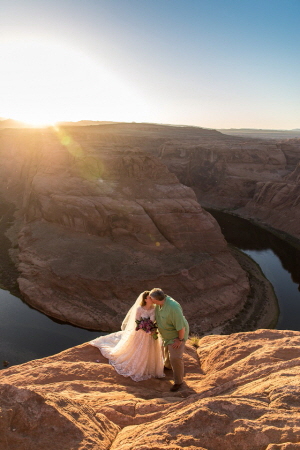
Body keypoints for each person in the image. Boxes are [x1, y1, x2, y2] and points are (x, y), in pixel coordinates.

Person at [90, 291, 164, 382]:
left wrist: (152, 329)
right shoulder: (139, 309)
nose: (151, 299)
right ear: (145, 299)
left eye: (152, 298)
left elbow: (155, 321)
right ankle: (139, 367)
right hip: (141, 333)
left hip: (151, 333)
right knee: (139, 350)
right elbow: (137, 323)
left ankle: (149, 367)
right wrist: (146, 330)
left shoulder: (154, 308)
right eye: (149, 298)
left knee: (150, 350)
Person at [149, 288, 189, 392]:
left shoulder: (173, 307)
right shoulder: (158, 305)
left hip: (176, 335)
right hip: (166, 335)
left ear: (156, 299)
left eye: (151, 299)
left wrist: (180, 340)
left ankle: (178, 382)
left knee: (175, 358)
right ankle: (168, 366)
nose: (150, 300)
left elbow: (181, 327)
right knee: (166, 352)